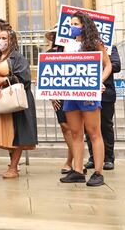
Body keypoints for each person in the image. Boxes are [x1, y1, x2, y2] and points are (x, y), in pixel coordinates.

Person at [60, 11, 112, 186]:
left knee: (94, 132)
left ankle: (98, 172)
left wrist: (99, 81)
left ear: (84, 25)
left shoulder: (96, 44)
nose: (72, 27)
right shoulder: (68, 45)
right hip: (71, 93)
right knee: (75, 132)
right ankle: (78, 170)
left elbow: (108, 65)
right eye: (71, 24)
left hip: (88, 92)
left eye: (76, 24)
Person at [0, 26, 38, 178]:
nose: (0, 40)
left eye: (4, 38)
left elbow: (24, 78)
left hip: (13, 102)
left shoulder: (18, 58)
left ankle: (13, 167)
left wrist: (5, 80)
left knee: (15, 133)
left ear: (11, 40)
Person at [84, 46, 121, 171]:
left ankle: (109, 158)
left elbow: (116, 66)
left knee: (106, 126)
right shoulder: (84, 47)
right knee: (88, 127)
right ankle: (93, 157)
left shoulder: (111, 48)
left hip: (106, 93)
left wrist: (100, 60)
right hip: (87, 93)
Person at [45, 26, 73, 174]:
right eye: (54, 34)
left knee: (75, 128)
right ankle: (71, 160)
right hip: (59, 94)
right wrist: (52, 95)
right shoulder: (50, 53)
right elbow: (47, 76)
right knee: (64, 126)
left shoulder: (74, 50)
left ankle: (74, 161)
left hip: (75, 92)